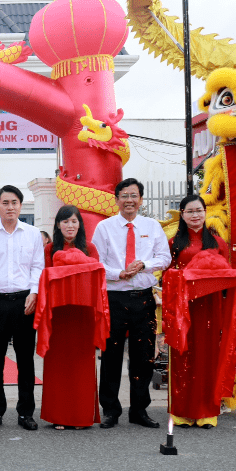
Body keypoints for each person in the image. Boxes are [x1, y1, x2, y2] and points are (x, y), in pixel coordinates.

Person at [91, 178, 170, 429]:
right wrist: (118, 273)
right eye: (124, 196)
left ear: (141, 200)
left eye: (134, 196)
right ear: (116, 200)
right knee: (111, 356)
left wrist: (145, 265)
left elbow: (165, 258)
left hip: (143, 298)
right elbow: (96, 262)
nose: (129, 200)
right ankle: (110, 410)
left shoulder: (152, 226)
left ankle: (139, 410)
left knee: (143, 356)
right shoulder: (104, 227)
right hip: (114, 298)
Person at [0, 185, 44, 431]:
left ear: (20, 205)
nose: (10, 207)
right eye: (5, 203)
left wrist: (34, 292)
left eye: (14, 202)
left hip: (25, 301)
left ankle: (26, 413)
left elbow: (38, 266)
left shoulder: (32, 234)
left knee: (25, 359)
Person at [165, 194, 231, 428]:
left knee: (207, 356)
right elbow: (166, 274)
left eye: (199, 210)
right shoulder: (173, 243)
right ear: (182, 215)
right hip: (183, 307)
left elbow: (226, 276)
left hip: (210, 307)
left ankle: (206, 412)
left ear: (205, 212)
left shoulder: (218, 243)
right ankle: (182, 411)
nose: (195, 215)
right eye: (190, 211)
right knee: (182, 355)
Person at [38, 205, 102, 430]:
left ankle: (81, 416)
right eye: (65, 222)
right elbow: (45, 278)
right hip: (58, 313)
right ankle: (59, 415)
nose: (70, 226)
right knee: (58, 364)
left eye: (74, 221)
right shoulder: (50, 249)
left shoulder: (89, 248)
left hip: (83, 313)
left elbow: (97, 278)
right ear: (58, 225)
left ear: (80, 225)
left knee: (82, 364)